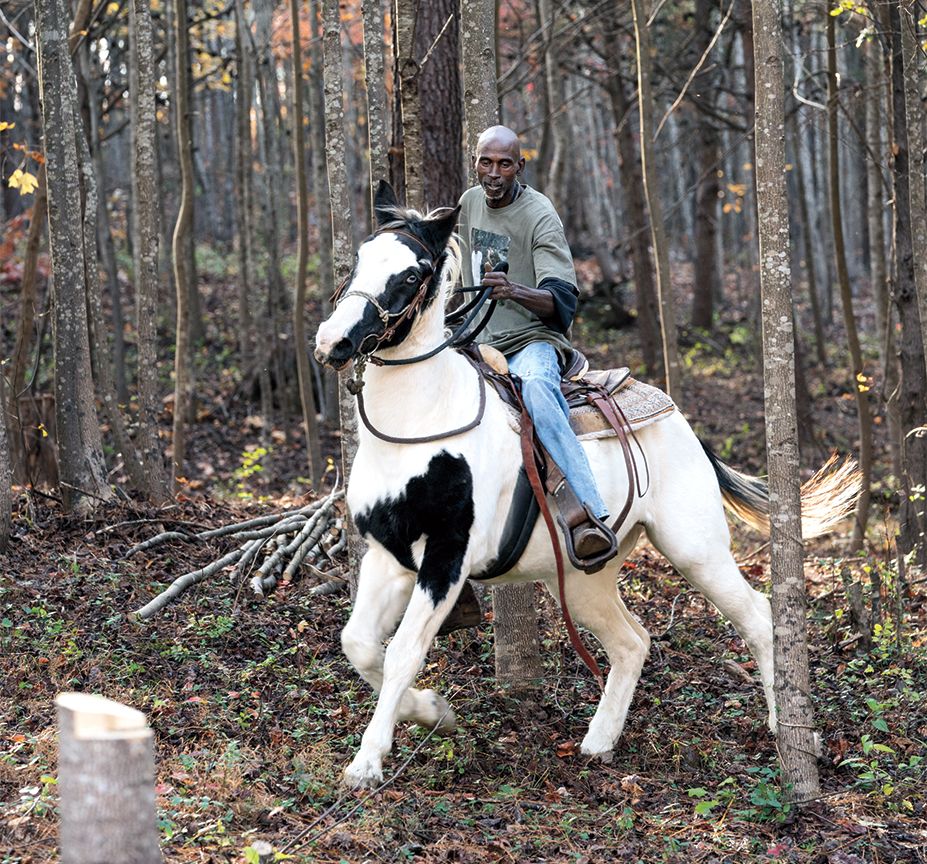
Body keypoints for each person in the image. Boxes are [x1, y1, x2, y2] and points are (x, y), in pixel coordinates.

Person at [458, 125, 618, 573]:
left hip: (530, 340)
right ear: (475, 162)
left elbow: (563, 300)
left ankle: (585, 512)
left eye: (504, 163)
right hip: (478, 340)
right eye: (485, 162)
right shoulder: (469, 204)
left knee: (538, 393)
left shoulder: (539, 214)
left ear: (519, 167)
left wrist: (515, 290)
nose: (494, 173)